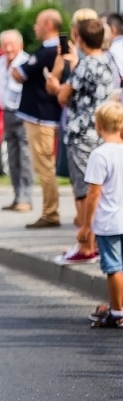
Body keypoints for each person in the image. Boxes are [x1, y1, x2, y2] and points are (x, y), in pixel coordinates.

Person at [52, 19, 113, 263]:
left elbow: (64, 96)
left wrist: (56, 85)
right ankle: (97, 242)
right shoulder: (108, 63)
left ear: (78, 38)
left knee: (83, 190)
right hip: (101, 132)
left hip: (80, 133)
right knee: (100, 188)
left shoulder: (85, 65)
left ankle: (86, 245)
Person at [13, 9, 64, 228]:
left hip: (41, 117)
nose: (34, 27)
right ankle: (50, 210)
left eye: (37, 23)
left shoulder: (47, 51)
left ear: (48, 25)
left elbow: (19, 73)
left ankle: (50, 213)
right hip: (41, 116)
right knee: (44, 165)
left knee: (44, 167)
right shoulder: (54, 50)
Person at [84, 100, 123, 327]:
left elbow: (93, 193)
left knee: (114, 267)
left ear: (97, 125)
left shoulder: (99, 155)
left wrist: (86, 226)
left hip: (109, 221)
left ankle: (117, 312)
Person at [0, 28, 33, 212]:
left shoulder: (26, 62)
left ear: (20, 45)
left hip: (23, 113)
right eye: (5, 45)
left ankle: (26, 198)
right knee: (12, 156)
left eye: (12, 44)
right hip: (7, 112)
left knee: (25, 157)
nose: (8, 48)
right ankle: (17, 195)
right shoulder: (1, 61)